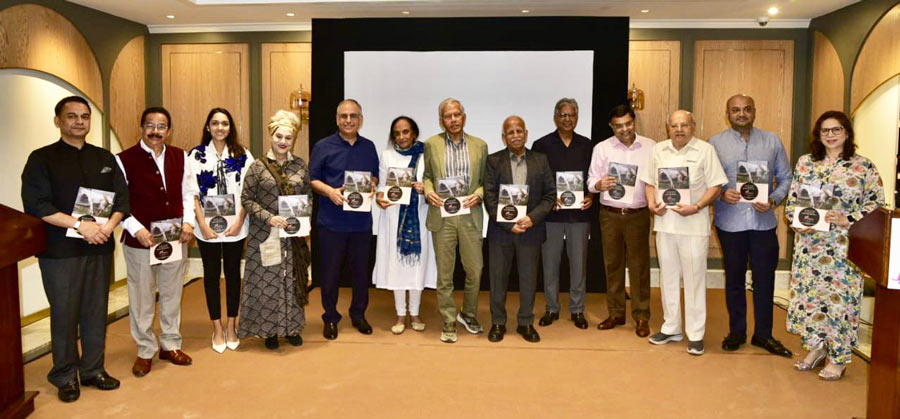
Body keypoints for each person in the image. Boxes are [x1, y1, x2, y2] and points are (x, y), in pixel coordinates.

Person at [21, 96, 129, 402]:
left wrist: (107, 228)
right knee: (65, 314)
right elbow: (37, 205)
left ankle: (93, 370)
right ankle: (64, 375)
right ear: (58, 121)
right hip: (61, 252)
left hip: (99, 247)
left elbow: (122, 200)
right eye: (71, 116)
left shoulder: (105, 158)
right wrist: (81, 225)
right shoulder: (41, 159)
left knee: (95, 312)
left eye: (84, 116)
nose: (79, 121)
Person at [786, 110, 884, 380]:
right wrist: (796, 221)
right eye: (825, 131)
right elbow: (794, 200)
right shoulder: (806, 163)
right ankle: (816, 348)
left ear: (847, 132)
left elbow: (876, 205)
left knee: (838, 302)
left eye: (836, 130)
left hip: (844, 246)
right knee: (812, 298)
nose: (830, 135)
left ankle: (838, 356)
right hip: (809, 246)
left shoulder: (863, 166)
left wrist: (847, 218)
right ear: (818, 135)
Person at [116, 106, 198, 376]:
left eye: (161, 126)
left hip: (173, 237)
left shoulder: (181, 156)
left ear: (168, 130)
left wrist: (188, 222)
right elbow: (119, 201)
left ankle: (170, 343)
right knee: (141, 296)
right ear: (141, 128)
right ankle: (145, 349)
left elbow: (188, 193)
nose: (155, 131)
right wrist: (136, 228)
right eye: (150, 125)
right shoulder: (123, 159)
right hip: (140, 240)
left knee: (173, 292)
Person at [709, 95, 793, 357]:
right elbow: (706, 179)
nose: (741, 114)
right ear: (728, 113)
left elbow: (787, 177)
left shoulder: (772, 141)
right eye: (735, 110)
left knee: (764, 280)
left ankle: (764, 335)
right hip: (729, 222)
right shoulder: (714, 143)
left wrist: (774, 199)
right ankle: (737, 332)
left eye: (746, 109)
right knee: (733, 279)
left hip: (763, 223)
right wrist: (722, 192)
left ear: (754, 111)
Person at [641, 109, 727, 356]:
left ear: (693, 126)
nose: (679, 130)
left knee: (694, 280)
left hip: (693, 226)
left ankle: (696, 334)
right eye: (674, 126)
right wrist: (650, 204)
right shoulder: (659, 150)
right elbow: (649, 182)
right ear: (668, 128)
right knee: (668, 278)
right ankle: (671, 327)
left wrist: (697, 206)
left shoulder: (705, 150)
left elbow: (716, 185)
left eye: (684, 125)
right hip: (665, 225)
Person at [238, 110, 310, 350]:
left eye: (288, 138)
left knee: (291, 279)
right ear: (271, 135)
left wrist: (301, 217)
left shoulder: (299, 165)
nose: (283, 142)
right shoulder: (257, 167)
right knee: (267, 280)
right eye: (279, 136)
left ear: (293, 140)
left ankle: (291, 328)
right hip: (265, 234)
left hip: (292, 235)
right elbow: (247, 199)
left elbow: (308, 196)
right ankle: (269, 330)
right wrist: (269, 218)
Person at [309, 99, 379, 340]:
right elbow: (313, 179)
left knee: (361, 273)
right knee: (330, 274)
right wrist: (330, 191)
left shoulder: (369, 146)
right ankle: (330, 317)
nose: (348, 120)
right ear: (337, 119)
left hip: (361, 223)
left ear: (360, 119)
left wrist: (372, 186)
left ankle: (358, 314)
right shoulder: (322, 146)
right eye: (344, 116)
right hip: (331, 222)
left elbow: (375, 177)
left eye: (353, 116)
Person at [483, 116, 555, 343]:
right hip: (500, 232)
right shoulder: (494, 161)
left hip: (530, 230)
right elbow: (490, 197)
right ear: (504, 137)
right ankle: (498, 322)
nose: (515, 135)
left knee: (528, 279)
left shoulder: (540, 160)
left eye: (519, 131)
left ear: (526, 133)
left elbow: (550, 196)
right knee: (497, 280)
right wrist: (508, 224)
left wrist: (531, 219)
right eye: (510, 132)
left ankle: (525, 322)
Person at [422, 98, 489, 343]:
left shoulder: (480, 146)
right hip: (443, 217)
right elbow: (428, 176)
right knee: (445, 274)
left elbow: (485, 182)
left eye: (457, 114)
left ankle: (468, 314)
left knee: (475, 269)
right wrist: (429, 191)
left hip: (470, 215)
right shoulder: (431, 144)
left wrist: (479, 195)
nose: (453, 119)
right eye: (448, 116)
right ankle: (449, 319)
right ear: (442, 120)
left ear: (464, 116)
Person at [188, 108, 254, 353]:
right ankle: (216, 326)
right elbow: (191, 193)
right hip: (207, 228)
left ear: (230, 127)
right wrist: (202, 225)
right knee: (212, 275)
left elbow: (249, 191)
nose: (220, 128)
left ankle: (232, 324)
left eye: (224, 123)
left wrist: (239, 221)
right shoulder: (195, 156)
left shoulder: (242, 154)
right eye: (215, 123)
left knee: (234, 275)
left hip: (236, 224)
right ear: (208, 127)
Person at [586, 105, 654, 337]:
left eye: (628, 123)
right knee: (612, 265)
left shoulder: (651, 147)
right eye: (618, 126)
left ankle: (642, 316)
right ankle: (616, 313)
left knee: (639, 267)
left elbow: (656, 180)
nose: (624, 129)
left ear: (634, 122)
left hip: (638, 215)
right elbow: (590, 180)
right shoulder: (602, 148)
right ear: (611, 126)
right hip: (610, 215)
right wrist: (599, 185)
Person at [531, 98, 593, 329]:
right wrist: (547, 200)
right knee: (550, 264)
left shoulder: (587, 146)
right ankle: (551, 308)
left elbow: (593, 178)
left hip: (579, 215)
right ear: (556, 117)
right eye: (563, 115)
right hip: (551, 216)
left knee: (579, 265)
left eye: (572, 115)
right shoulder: (541, 145)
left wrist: (592, 196)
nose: (567, 119)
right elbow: (536, 180)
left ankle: (577, 310)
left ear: (577, 117)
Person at [373, 116, 436, 334]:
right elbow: (381, 186)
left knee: (417, 266)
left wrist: (424, 188)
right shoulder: (386, 155)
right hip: (393, 218)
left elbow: (434, 184)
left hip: (419, 218)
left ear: (414, 133)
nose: (402, 137)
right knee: (397, 267)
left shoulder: (426, 154)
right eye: (397, 133)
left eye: (406, 132)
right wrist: (380, 198)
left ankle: (415, 313)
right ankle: (400, 315)